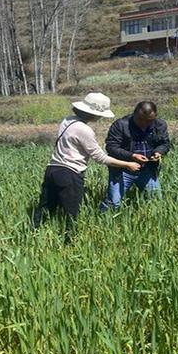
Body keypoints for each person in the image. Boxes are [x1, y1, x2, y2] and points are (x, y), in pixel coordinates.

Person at [32, 92, 141, 243]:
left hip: (52, 169)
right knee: (71, 213)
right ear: (93, 114)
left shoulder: (67, 120)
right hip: (69, 173)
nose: (100, 118)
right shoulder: (85, 130)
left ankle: (32, 234)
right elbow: (100, 157)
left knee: (45, 207)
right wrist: (128, 163)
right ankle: (69, 243)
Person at [99, 101, 170, 211]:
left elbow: (164, 143)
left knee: (156, 201)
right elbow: (111, 147)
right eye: (140, 119)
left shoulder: (159, 125)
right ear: (134, 114)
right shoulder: (121, 125)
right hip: (122, 169)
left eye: (149, 121)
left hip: (147, 169)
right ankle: (102, 221)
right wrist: (132, 156)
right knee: (114, 203)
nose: (144, 123)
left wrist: (158, 152)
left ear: (155, 117)